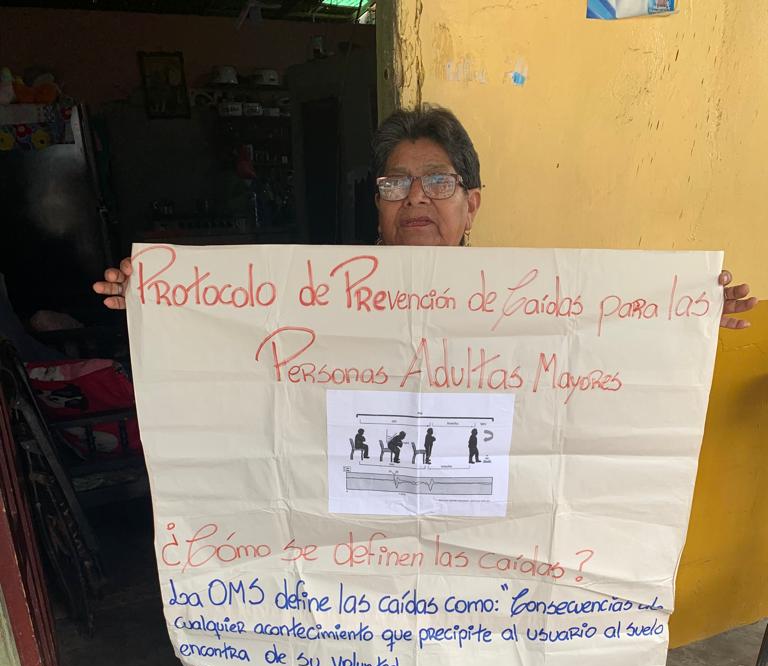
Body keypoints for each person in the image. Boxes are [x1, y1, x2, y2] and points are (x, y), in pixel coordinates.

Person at [93, 105, 756, 327]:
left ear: (472, 205)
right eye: (395, 183)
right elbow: (239, 335)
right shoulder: (319, 298)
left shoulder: (529, 303)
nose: (415, 197)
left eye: (438, 181)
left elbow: (604, 340)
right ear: (377, 204)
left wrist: (686, 315)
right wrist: (161, 302)